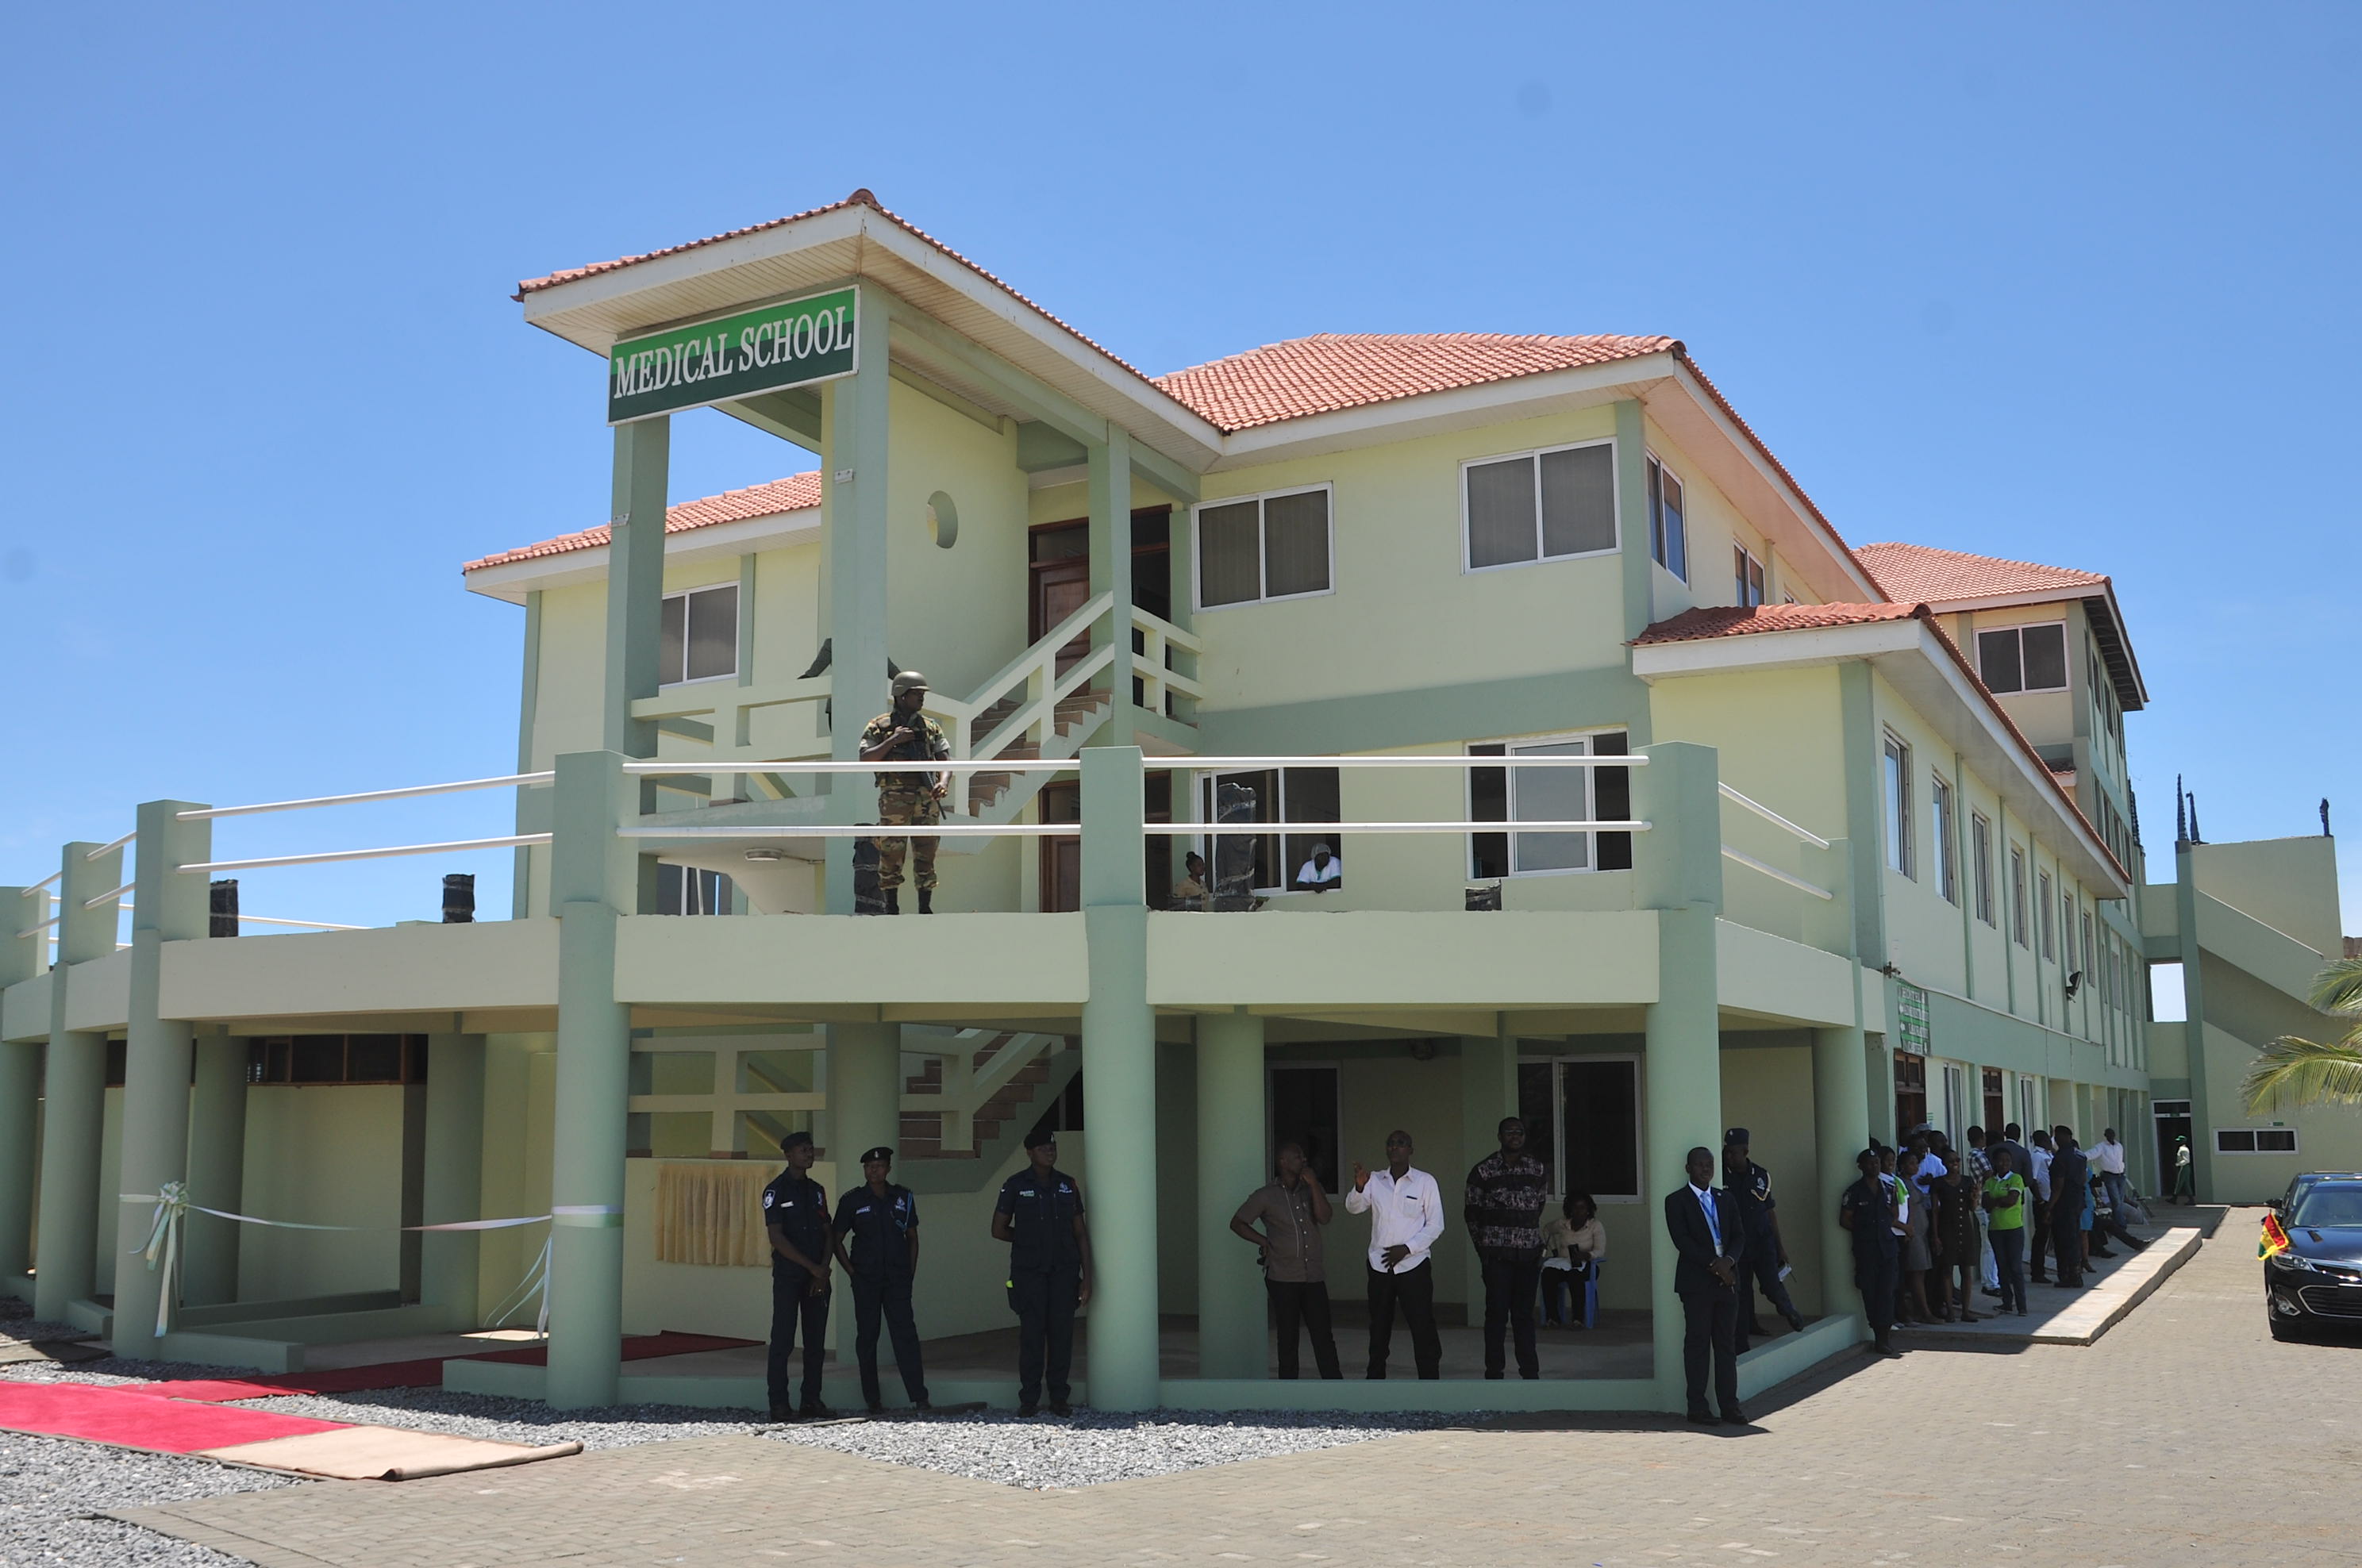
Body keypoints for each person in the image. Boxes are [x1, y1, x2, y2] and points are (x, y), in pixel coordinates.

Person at [991, 1128, 1092, 1416]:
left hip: (1064, 1273)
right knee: (1032, 1337)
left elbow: (1080, 1233)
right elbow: (998, 1229)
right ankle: (1029, 1399)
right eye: (1043, 1148)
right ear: (1030, 1153)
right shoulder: (1015, 1185)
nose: (1050, 1151)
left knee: (1062, 1336)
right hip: (1029, 1274)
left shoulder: (1067, 1185)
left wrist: (1088, 1278)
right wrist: (1028, 1240)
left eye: (1052, 1147)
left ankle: (1059, 1398)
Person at [830, 1146, 930, 1414]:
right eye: (869, 1167)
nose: (874, 1171)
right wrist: (852, 1273)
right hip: (866, 1279)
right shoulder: (852, 1200)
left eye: (879, 1166)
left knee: (906, 1336)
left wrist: (909, 1273)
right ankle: (872, 1400)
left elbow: (912, 1238)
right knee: (867, 1337)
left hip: (897, 1279)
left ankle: (919, 1397)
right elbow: (836, 1240)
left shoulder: (903, 1197)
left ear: (888, 1169)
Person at [1229, 1142, 1341, 1380]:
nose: (1304, 1160)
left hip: (1313, 1276)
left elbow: (1325, 1217)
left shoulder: (1310, 1188)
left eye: (1303, 1156)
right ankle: (1288, 1389)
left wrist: (1314, 1185)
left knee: (1323, 1335)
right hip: (1283, 1277)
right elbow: (1238, 1223)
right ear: (1283, 1162)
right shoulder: (1266, 1195)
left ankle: (1334, 1385)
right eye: (1298, 1157)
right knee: (1288, 1337)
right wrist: (1263, 1241)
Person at [1344, 1129, 1445, 1380]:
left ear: (1411, 1150)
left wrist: (1407, 1249)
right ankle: (1375, 1380)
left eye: (1401, 1143)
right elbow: (1353, 1208)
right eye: (1390, 1143)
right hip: (1380, 1266)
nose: (1395, 1147)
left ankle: (1430, 1382)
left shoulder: (1425, 1182)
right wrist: (1359, 1187)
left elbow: (1436, 1225)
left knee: (1422, 1325)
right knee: (1379, 1327)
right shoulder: (1375, 1180)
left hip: (1413, 1265)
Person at [1664, 1145, 1746, 1424]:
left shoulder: (1726, 1199)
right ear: (1688, 1168)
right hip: (1697, 1283)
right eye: (1700, 1164)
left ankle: (1730, 1406)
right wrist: (1716, 1265)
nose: (1706, 1169)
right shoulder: (1676, 1201)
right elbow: (1682, 1241)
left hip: (1728, 1282)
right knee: (1698, 1345)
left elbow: (1739, 1236)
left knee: (1726, 1346)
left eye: (1709, 1164)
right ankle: (1697, 1407)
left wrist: (1729, 1262)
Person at [1463, 1116, 1548, 1380]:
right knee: (1496, 1316)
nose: (1515, 1136)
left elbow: (1539, 1207)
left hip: (1528, 1257)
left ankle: (1530, 1373)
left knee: (1524, 1317)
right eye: (1509, 1132)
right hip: (1497, 1258)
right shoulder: (1483, 1171)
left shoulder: (1537, 1169)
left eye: (1519, 1132)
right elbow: (1472, 1214)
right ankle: (1494, 1373)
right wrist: (1484, 1250)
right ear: (1500, 1137)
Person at [858, 670, 951, 915]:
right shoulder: (879, 725)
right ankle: (892, 907)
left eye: (922, 694)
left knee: (927, 852)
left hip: (926, 797)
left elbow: (945, 760)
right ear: (901, 695)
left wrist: (943, 782)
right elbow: (865, 758)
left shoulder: (930, 726)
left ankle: (925, 907)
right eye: (916, 694)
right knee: (891, 851)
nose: (922, 698)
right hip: (894, 797)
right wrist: (893, 741)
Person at [760, 1130, 836, 1421]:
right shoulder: (775, 1191)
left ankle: (811, 1400)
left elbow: (828, 1231)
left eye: (811, 1149)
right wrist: (811, 1267)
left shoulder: (816, 1190)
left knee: (815, 1342)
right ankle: (779, 1404)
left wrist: (822, 1270)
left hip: (817, 1277)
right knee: (783, 1340)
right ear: (788, 1155)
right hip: (789, 1276)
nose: (809, 1154)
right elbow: (777, 1238)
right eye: (803, 1150)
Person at [1722, 1128, 1806, 1351]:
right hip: (1736, 1245)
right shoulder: (1721, 1176)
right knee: (1740, 1294)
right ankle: (1741, 1344)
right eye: (1726, 1151)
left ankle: (1789, 1312)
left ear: (1745, 1151)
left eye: (1732, 1152)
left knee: (1771, 1284)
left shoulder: (1761, 1176)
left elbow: (1770, 1212)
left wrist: (1780, 1247)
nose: (1728, 1156)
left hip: (1762, 1242)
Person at [1839, 1147, 1906, 1358]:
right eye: (1869, 1163)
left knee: (1887, 1292)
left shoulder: (1889, 1188)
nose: (1874, 1166)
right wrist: (1864, 1232)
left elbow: (1894, 1213)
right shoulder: (1854, 1191)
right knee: (1870, 1292)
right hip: (1866, 1250)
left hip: (1888, 1248)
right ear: (1861, 1167)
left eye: (1877, 1162)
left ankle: (1884, 1337)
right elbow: (1845, 1220)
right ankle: (1878, 1334)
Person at [1538, 1193, 1605, 1328]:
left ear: (1588, 1210)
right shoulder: (1562, 1224)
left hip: (1586, 1266)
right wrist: (1554, 1250)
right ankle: (1552, 1318)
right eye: (1575, 1208)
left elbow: (1600, 1250)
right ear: (1570, 1210)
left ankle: (1578, 1319)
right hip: (1563, 1264)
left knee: (1575, 1277)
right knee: (1547, 1275)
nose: (1579, 1212)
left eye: (1582, 1208)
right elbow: (1546, 1230)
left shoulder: (1595, 1226)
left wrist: (1587, 1255)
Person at [1981, 1145, 2029, 1316]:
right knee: (2002, 1267)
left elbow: (2012, 1200)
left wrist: (1996, 1201)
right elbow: (1986, 1204)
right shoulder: (1989, 1182)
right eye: (2001, 1160)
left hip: (2014, 1229)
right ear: (1994, 1162)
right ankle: (2007, 1302)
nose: (2004, 1164)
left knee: (2015, 1267)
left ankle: (2022, 1306)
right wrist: (2000, 1200)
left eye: (2007, 1161)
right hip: (1996, 1229)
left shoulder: (2016, 1178)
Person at [1897, 1150, 1937, 1324]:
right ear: (1903, 1166)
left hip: (1921, 1233)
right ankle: (1924, 1311)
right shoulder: (1901, 1184)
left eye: (1916, 1163)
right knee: (1916, 1272)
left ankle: (1920, 1310)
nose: (1915, 1167)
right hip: (1912, 1234)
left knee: (1922, 1272)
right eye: (1911, 1163)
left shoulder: (1912, 1183)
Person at [2048, 1128, 2089, 1287]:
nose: (2056, 1140)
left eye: (2057, 1137)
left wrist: (2049, 1207)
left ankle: (2068, 1276)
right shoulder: (2080, 1155)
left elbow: (2058, 1186)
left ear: (2066, 1137)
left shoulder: (2060, 1158)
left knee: (2063, 1241)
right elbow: (2083, 1178)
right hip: (2077, 1200)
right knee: (2074, 1238)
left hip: (2063, 1204)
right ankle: (2075, 1273)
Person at [2026, 1130, 2056, 1285]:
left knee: (2049, 1236)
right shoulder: (2037, 1156)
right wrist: (2040, 1201)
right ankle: (2037, 1272)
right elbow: (2033, 1180)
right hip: (2043, 1202)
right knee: (2041, 1238)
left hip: (2052, 1201)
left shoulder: (2048, 1155)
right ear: (2043, 1141)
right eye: (2049, 1140)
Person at [2090, 1128, 2131, 1220]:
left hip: (2120, 1175)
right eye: (2108, 1134)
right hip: (2110, 1176)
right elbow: (2091, 1154)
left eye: (2112, 1134)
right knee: (2116, 1201)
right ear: (2105, 1135)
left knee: (2120, 1201)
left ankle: (2118, 1220)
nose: (2111, 1136)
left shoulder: (2119, 1146)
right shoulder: (2101, 1147)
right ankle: (2120, 1222)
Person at [2172, 1134, 2195, 1204]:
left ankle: (2174, 1198)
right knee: (2186, 1184)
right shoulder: (2183, 1149)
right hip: (2185, 1167)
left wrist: (2177, 1164)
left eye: (2179, 1141)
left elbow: (2186, 1160)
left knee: (2180, 1182)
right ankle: (2191, 1200)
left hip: (2184, 1167)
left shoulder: (2183, 1150)